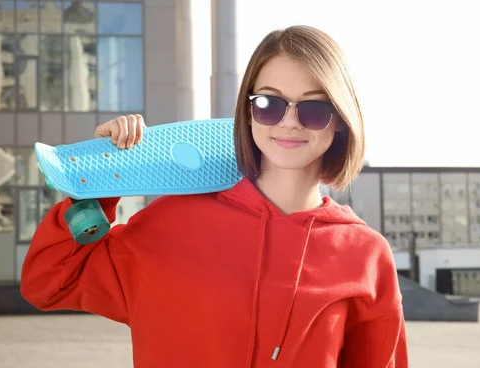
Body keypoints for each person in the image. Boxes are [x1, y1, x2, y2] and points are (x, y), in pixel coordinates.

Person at [21, 25, 408, 367]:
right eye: (270, 103)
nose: (289, 122)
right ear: (248, 109)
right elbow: (48, 281)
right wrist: (102, 180)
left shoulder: (365, 255)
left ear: (340, 118)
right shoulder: (171, 222)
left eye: (314, 108)